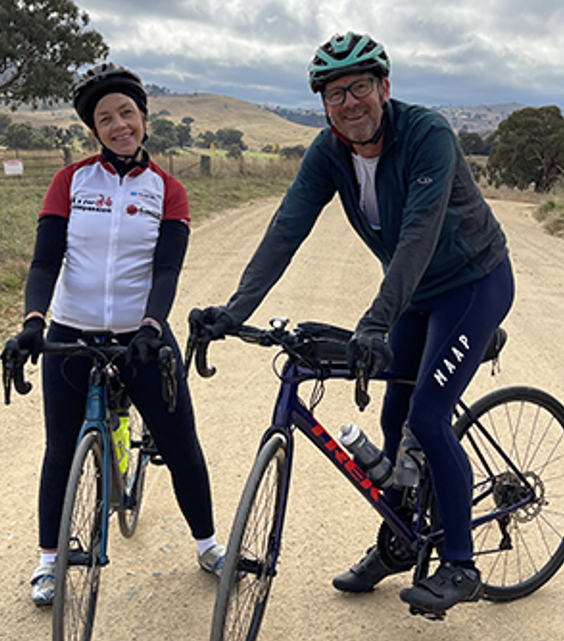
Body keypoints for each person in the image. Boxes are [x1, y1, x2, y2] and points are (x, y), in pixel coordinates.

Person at [196, 32, 514, 618]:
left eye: (361, 87)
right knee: (394, 417)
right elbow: (287, 227)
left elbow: (418, 236)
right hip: (416, 293)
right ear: (323, 104)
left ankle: (463, 565)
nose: (350, 103)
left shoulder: (428, 135)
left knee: (426, 412)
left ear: (384, 89)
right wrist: (234, 311)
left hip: (473, 283)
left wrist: (375, 322)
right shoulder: (330, 151)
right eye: (335, 93)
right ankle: (398, 543)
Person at [7, 62, 226, 606]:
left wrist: (153, 325)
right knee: (60, 451)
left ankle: (208, 545)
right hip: (72, 334)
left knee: (180, 447)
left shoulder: (167, 191)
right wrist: (34, 323)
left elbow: (166, 271)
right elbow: (44, 263)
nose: (118, 124)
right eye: (105, 118)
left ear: (144, 119)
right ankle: (47, 563)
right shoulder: (71, 181)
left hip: (141, 336)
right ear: (94, 130)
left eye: (126, 112)